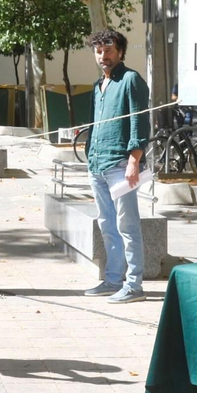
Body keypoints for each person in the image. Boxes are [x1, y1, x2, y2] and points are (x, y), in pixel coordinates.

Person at [81, 28, 149, 303]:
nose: (103, 56)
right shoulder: (98, 86)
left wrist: (135, 160)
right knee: (107, 224)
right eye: (98, 51)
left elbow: (139, 120)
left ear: (120, 52)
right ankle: (112, 279)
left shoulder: (131, 80)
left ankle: (134, 285)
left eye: (108, 50)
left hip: (120, 165)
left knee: (127, 225)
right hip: (97, 164)